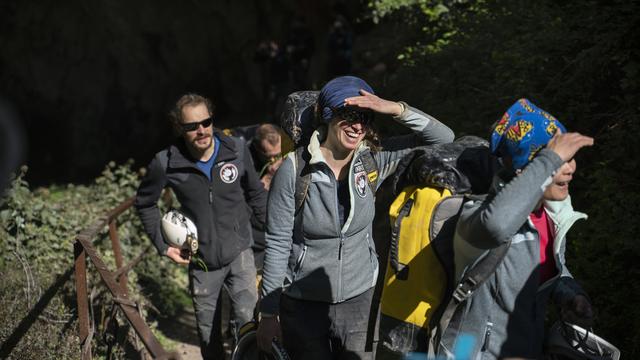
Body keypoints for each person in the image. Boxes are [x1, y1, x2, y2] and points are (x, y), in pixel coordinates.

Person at [257, 75, 455, 359]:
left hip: (361, 299)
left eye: (365, 116)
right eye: (349, 115)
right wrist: (268, 313)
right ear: (327, 116)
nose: (358, 125)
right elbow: (277, 243)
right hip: (302, 303)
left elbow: (444, 138)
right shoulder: (294, 170)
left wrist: (394, 108)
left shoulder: (373, 159)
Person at [439, 99, 595, 359]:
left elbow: (547, 267)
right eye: (560, 162)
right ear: (528, 168)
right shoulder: (475, 215)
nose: (570, 169)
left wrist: (569, 293)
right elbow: (496, 227)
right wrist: (549, 159)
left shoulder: (550, 216)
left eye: (570, 159)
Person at [135, 93, 267, 359]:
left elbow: (256, 195)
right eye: (191, 126)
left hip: (240, 253)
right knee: (209, 336)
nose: (201, 130)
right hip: (202, 263)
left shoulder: (237, 150)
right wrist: (163, 246)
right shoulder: (166, 163)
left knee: (249, 325)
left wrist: (275, 235)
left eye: (206, 122)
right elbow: (145, 203)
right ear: (179, 128)